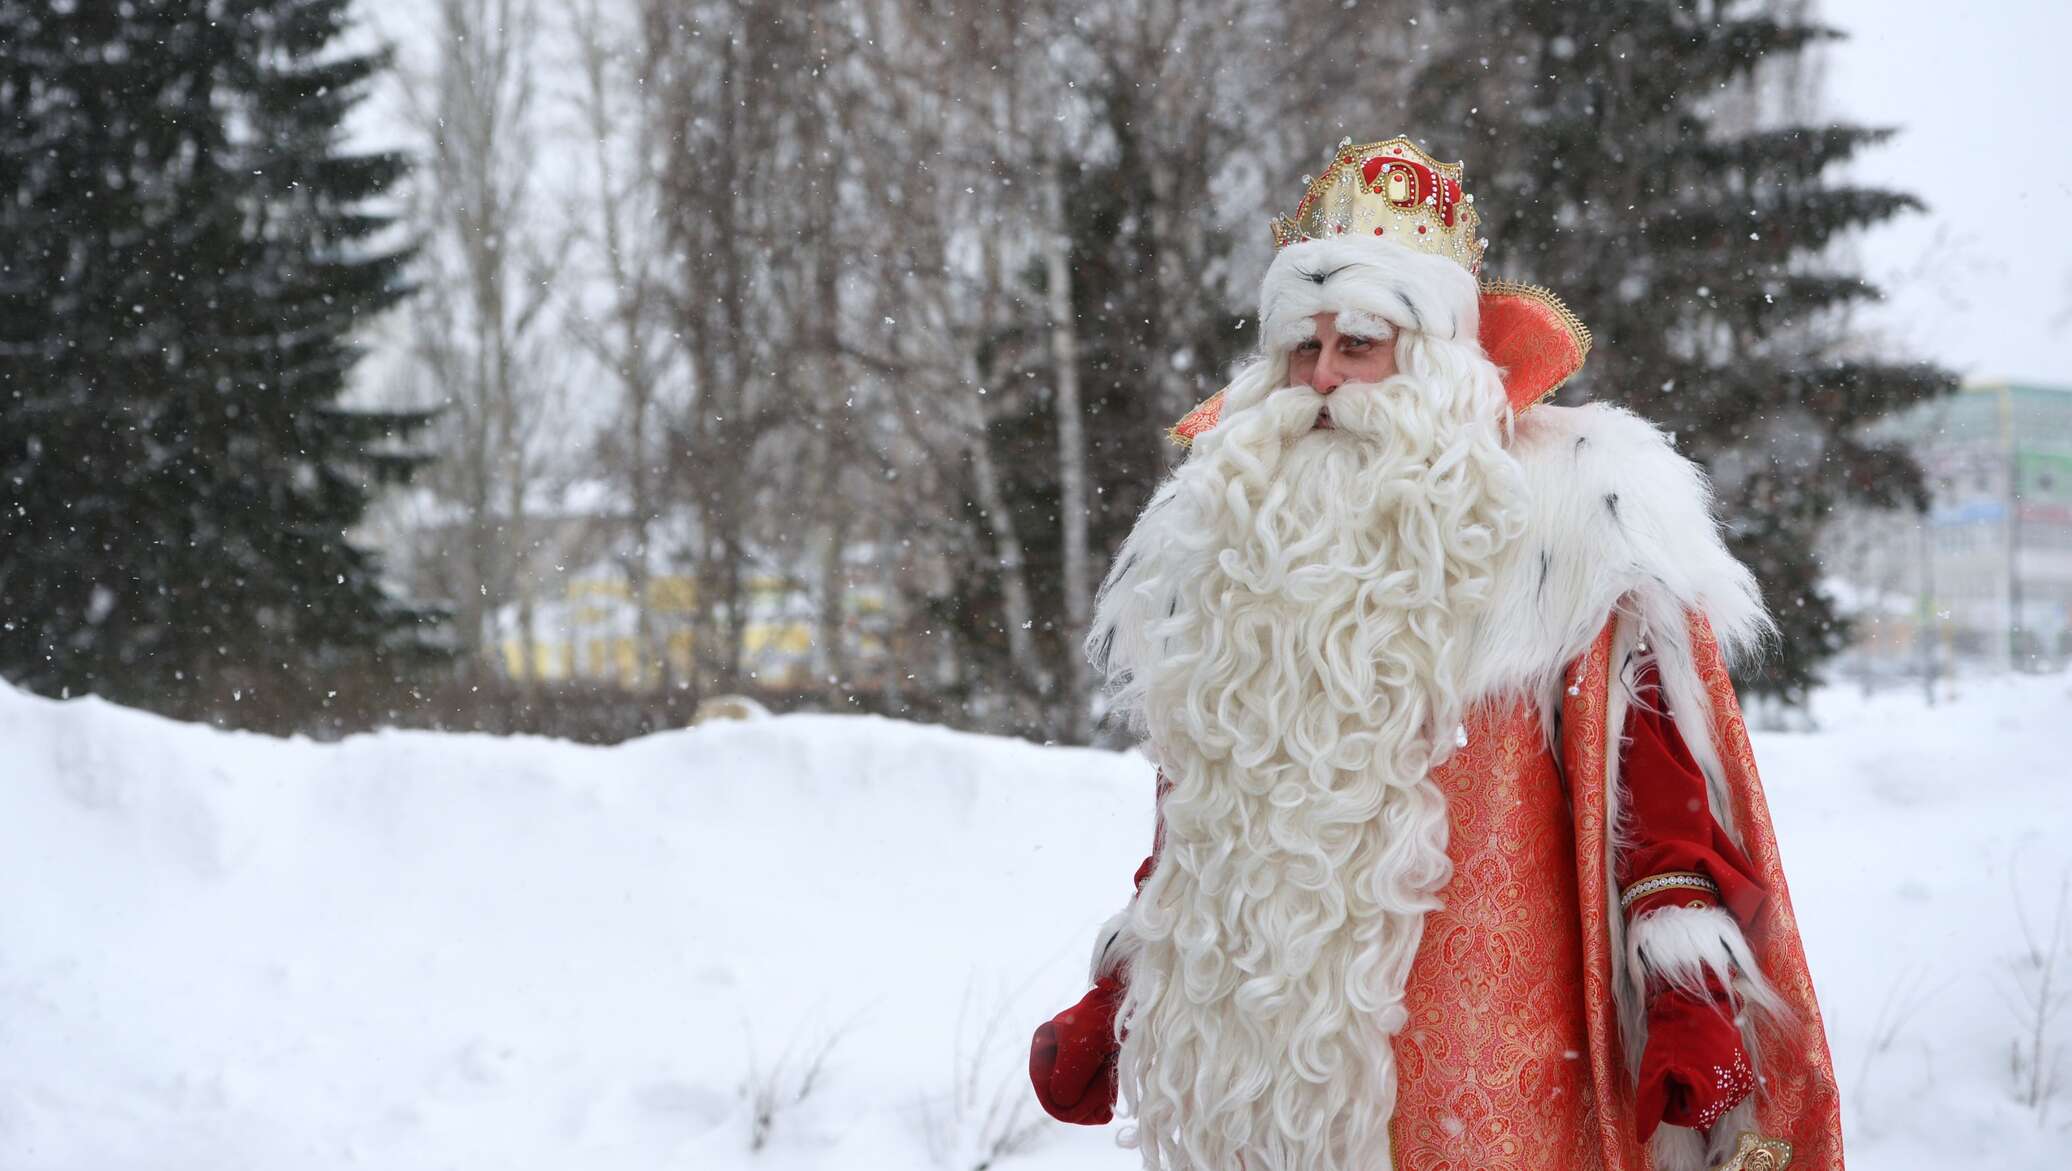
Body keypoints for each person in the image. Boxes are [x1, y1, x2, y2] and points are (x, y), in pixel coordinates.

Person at [1028, 137, 1841, 1171]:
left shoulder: (1567, 525)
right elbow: (1211, 820)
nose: (1321, 379)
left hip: (1493, 1078)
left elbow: (1650, 787)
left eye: (1357, 342)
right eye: (1300, 347)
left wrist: (1686, 988)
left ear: (1435, 355)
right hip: (1273, 1090)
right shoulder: (1232, 537)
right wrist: (1126, 988)